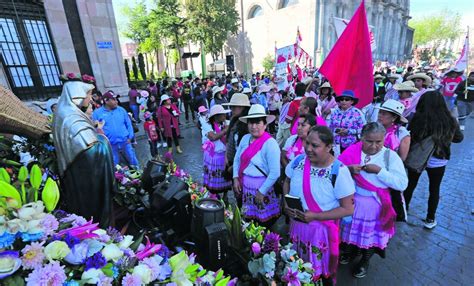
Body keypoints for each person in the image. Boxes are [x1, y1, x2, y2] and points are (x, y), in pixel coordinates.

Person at [284, 126, 355, 284]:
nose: (308, 149)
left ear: (329, 147)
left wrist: (316, 216)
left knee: (319, 273)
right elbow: (287, 180)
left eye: (315, 146)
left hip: (321, 233)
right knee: (297, 266)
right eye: (307, 143)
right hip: (297, 226)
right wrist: (286, 201)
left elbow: (348, 208)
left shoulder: (338, 171)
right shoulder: (298, 161)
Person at [338, 122, 408, 278]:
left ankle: (365, 260)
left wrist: (380, 171)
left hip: (376, 206)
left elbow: (402, 183)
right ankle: (349, 253)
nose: (374, 146)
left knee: (369, 236)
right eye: (369, 141)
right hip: (351, 203)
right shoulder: (352, 150)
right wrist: (349, 169)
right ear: (362, 137)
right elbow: (336, 170)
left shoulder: (389, 156)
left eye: (379, 142)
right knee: (350, 233)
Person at [53, 81, 114, 227]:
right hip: (84, 174)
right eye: (88, 95)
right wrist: (102, 138)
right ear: (77, 95)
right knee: (92, 208)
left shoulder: (68, 113)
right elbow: (91, 150)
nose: (91, 99)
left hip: (79, 171)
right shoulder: (70, 117)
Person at [403, 90, 463, 229]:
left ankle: (403, 211)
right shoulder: (450, 120)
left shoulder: (417, 118)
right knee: (434, 189)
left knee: (410, 185)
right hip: (439, 159)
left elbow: (411, 138)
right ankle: (430, 219)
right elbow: (459, 139)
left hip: (418, 158)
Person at [233, 104, 281, 228]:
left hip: (262, 189)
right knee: (249, 222)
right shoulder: (245, 139)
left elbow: (275, 172)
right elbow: (237, 159)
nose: (253, 126)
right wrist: (235, 178)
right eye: (250, 123)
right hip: (246, 187)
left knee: (264, 223)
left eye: (257, 122)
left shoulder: (270, 144)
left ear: (265, 124)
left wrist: (262, 191)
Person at [376, 99, 411, 221]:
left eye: (384, 113)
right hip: (373, 170)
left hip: (390, 171)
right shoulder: (375, 128)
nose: (380, 115)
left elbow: (402, 157)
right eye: (380, 112)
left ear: (394, 117)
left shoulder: (402, 133)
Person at [92, 91, 139, 168]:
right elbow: (95, 129)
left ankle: (138, 175)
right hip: (111, 145)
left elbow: (128, 124)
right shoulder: (97, 113)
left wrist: (130, 137)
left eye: (116, 99)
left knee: (133, 161)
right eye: (113, 99)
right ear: (106, 101)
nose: (116, 101)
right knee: (115, 165)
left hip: (125, 142)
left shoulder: (121, 110)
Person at [222, 93, 251, 193]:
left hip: (241, 165)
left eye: (234, 106)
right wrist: (226, 156)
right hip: (232, 162)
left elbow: (246, 152)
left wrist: (234, 167)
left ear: (243, 107)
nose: (232, 109)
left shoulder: (248, 125)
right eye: (231, 106)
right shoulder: (234, 120)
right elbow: (228, 139)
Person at [202, 105, 232, 194]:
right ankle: (214, 196)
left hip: (224, 154)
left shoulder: (226, 123)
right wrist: (225, 130)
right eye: (223, 114)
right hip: (213, 156)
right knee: (214, 177)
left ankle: (225, 195)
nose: (225, 116)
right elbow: (213, 137)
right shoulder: (207, 125)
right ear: (216, 116)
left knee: (225, 177)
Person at [329, 90, 365, 154]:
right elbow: (330, 127)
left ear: (352, 101)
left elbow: (364, 129)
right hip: (336, 145)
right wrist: (336, 131)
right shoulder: (335, 112)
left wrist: (349, 131)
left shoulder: (357, 113)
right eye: (342, 99)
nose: (344, 101)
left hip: (351, 145)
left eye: (347, 99)